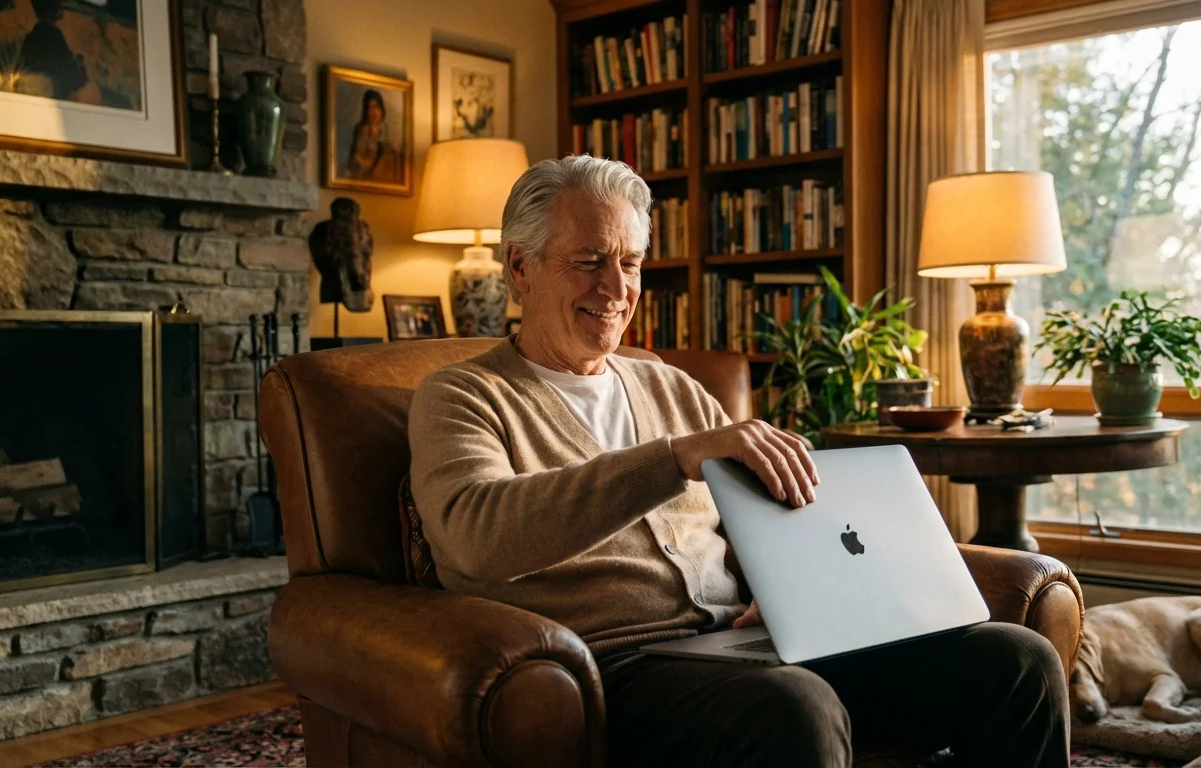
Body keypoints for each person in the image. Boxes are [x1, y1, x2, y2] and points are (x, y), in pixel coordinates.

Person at [407, 154, 1068, 767]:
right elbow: (476, 537)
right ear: (520, 267)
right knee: (794, 707)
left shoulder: (670, 388)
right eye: (588, 261)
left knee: (1015, 660)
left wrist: (792, 593)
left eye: (631, 263)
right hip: (612, 668)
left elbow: (769, 510)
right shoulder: (463, 396)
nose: (616, 287)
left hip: (746, 644)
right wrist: (674, 458)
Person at [345, 89, 399, 182]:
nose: (373, 112)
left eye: (376, 107)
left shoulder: (387, 132)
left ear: (381, 109)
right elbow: (355, 157)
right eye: (370, 108)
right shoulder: (361, 130)